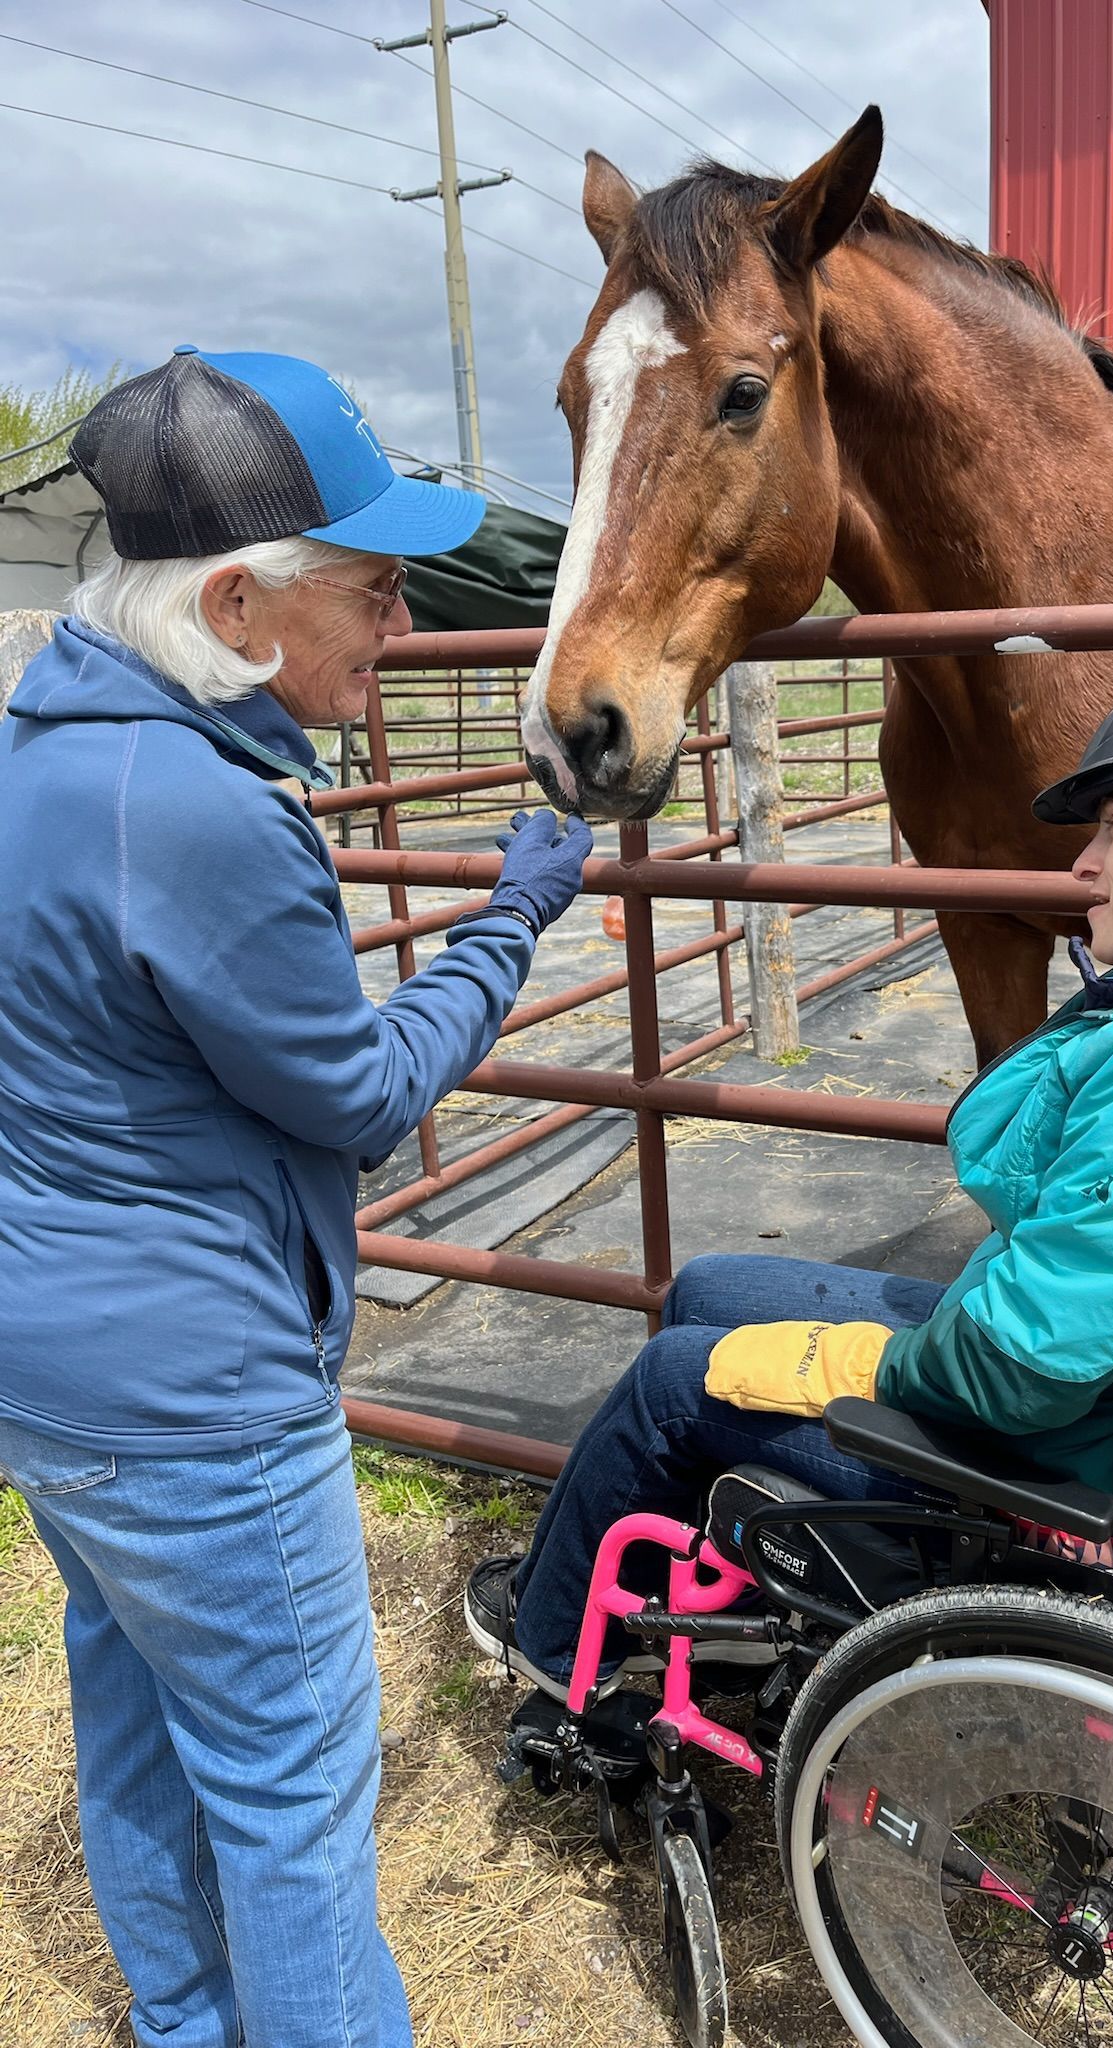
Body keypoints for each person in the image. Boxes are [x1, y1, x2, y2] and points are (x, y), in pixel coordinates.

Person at [466, 654, 1113, 1695]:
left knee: (669, 1380)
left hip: (1062, 1456)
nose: (1080, 865)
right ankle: (707, 1592)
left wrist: (863, 1367)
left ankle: (556, 1640)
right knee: (705, 1289)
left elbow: (1028, 1357)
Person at [0, 346, 593, 2048]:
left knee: (130, 1723)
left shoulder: (45, 749)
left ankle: (184, 2022)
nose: (399, 628)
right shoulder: (195, 808)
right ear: (244, 601)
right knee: (291, 1789)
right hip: (197, 1391)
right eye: (379, 590)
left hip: (55, 1372)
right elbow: (356, 1093)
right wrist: (514, 911)